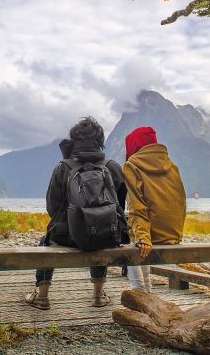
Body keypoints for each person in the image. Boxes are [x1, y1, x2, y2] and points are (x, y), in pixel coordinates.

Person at [24, 116, 128, 310]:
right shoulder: (112, 167)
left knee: (46, 241)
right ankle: (98, 295)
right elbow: (119, 206)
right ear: (100, 141)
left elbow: (52, 207)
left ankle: (42, 296)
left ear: (74, 140)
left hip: (67, 236)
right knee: (101, 230)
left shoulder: (63, 167)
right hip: (105, 235)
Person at [123, 126, 186, 291]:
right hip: (173, 234)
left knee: (131, 238)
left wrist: (143, 237)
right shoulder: (172, 166)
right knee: (139, 234)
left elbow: (137, 206)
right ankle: (148, 289)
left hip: (151, 237)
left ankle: (138, 290)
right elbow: (180, 201)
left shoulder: (131, 165)